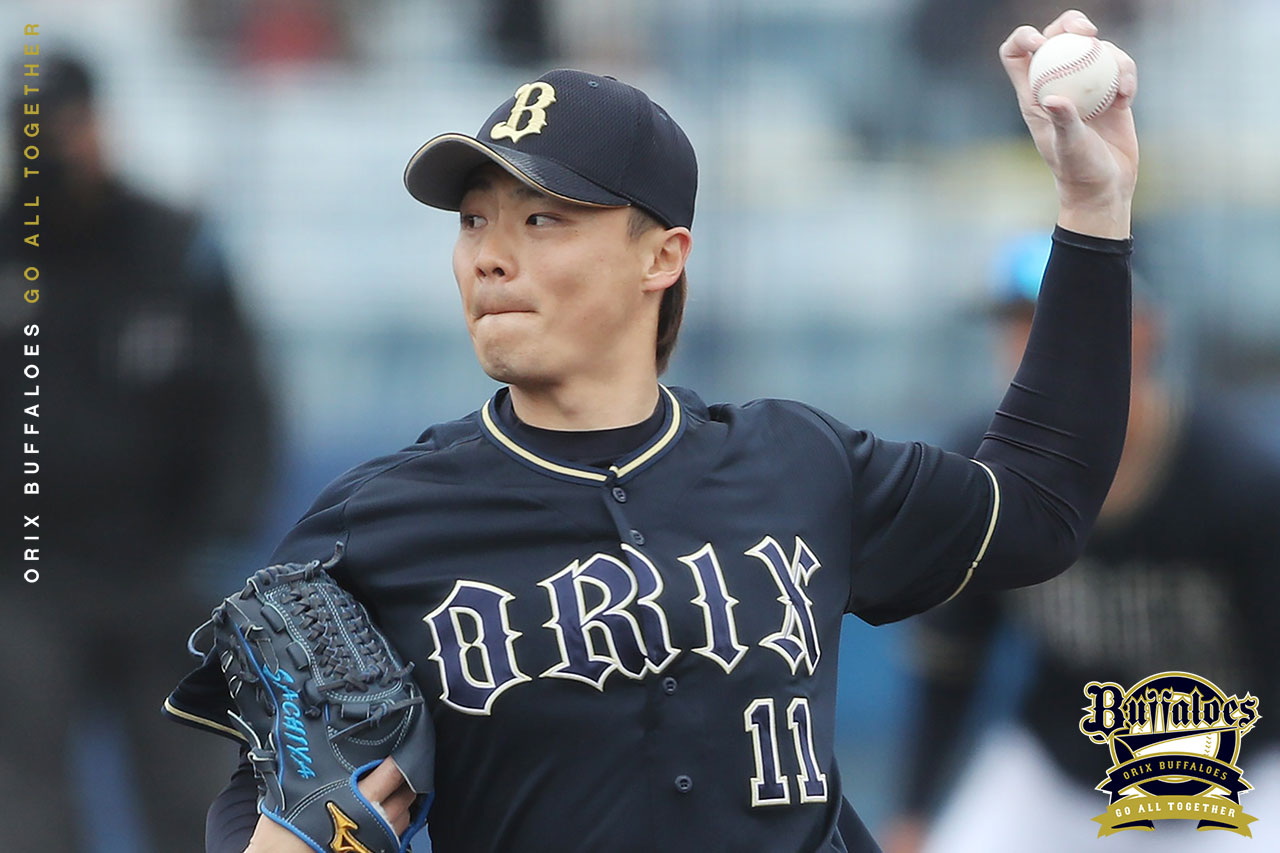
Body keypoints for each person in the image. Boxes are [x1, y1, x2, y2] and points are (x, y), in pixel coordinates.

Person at [165, 10, 1138, 852]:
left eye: (541, 219)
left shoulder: (798, 464)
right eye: (471, 220)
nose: (488, 258)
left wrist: (1091, 211)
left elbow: (1038, 508)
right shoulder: (380, 523)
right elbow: (275, 780)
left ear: (660, 256)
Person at [884, 238, 1280, 853]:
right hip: (1060, 774)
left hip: (1241, 775)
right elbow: (952, 659)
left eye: (1057, 323)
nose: (1033, 348)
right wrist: (913, 811)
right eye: (1018, 326)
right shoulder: (982, 470)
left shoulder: (1238, 480)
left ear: (1145, 331)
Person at [0, 57, 277, 850]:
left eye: (71, 125)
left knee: (193, 797)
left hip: (161, 566)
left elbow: (245, 405)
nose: (61, 149)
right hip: (26, 576)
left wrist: (220, 536)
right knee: (25, 807)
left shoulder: (174, 245)